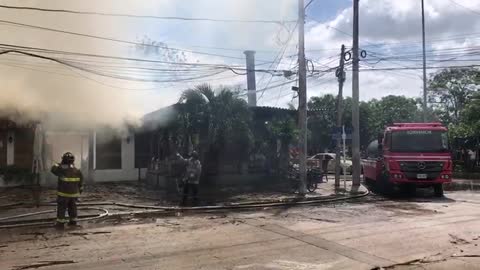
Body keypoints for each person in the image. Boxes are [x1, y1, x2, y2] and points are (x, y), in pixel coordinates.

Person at [51, 152, 84, 229]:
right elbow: (81, 182)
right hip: (74, 194)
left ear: (63, 160)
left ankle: (60, 224)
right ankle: (73, 221)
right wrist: (79, 191)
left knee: (62, 208)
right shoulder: (77, 170)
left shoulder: (61, 169)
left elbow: (53, 169)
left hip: (63, 194)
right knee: (72, 207)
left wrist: (59, 164)